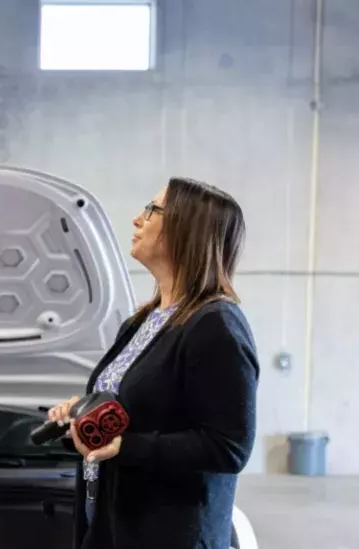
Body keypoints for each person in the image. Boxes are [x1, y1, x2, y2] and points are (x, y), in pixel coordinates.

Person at [46, 177, 260, 549]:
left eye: (152, 210)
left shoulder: (216, 324)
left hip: (171, 533)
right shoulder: (142, 321)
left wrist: (127, 446)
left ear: (187, 228)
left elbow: (229, 446)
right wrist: (84, 414)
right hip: (114, 522)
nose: (137, 219)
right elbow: (138, 410)